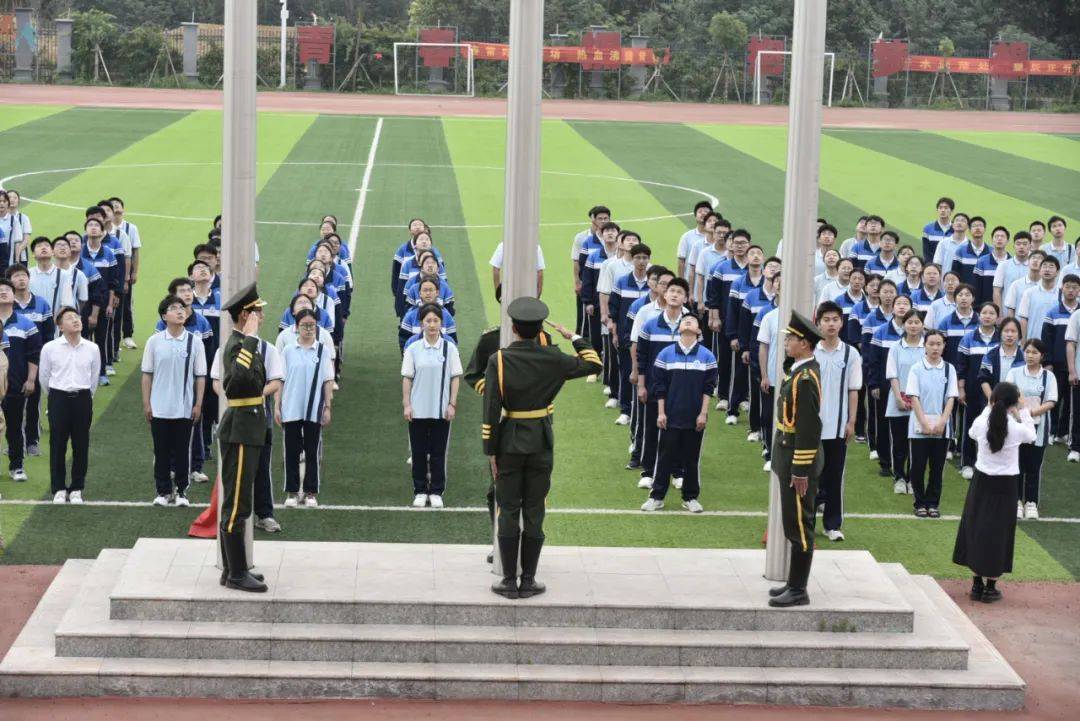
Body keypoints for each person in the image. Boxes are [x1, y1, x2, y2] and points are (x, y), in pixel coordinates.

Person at [485, 297, 602, 599]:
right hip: (540, 440)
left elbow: (491, 411)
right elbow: (594, 362)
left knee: (508, 509)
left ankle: (509, 580)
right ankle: (530, 580)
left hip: (509, 441)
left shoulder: (498, 360)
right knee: (535, 509)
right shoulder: (553, 358)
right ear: (539, 329)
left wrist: (491, 451)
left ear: (513, 327)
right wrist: (572, 336)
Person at [953, 382, 1035, 603]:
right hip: (1006, 485)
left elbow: (970, 432)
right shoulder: (1016, 428)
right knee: (999, 533)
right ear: (1014, 402)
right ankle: (991, 588)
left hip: (981, 483)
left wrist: (989, 407)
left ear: (993, 400)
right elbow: (1032, 435)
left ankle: (976, 585)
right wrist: (1024, 411)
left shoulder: (982, 422)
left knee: (976, 528)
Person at [767, 311, 824, 608]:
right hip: (787, 454)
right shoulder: (798, 371)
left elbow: (809, 428)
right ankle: (792, 582)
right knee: (793, 522)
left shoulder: (805, 378)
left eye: (790, 339)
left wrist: (800, 469)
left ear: (804, 343)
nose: (787, 342)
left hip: (798, 461)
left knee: (800, 525)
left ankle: (799, 589)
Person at [217, 283, 270, 592]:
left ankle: (231, 570)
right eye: (256, 312)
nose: (261, 316)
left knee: (240, 499)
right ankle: (236, 573)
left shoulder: (245, 343)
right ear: (245, 316)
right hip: (240, 427)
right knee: (237, 504)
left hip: (248, 426)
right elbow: (237, 383)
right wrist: (249, 339)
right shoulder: (240, 344)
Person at [640, 314, 715, 513]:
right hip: (670, 417)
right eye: (684, 320)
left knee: (691, 459)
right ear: (679, 328)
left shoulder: (707, 356)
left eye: (692, 321)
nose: (688, 321)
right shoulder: (665, 354)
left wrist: (703, 414)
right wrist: (661, 413)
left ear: (699, 330)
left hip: (694, 418)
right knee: (664, 457)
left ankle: (690, 497)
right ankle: (657, 496)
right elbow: (660, 387)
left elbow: (709, 388)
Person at [141, 295, 207, 508]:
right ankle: (162, 491)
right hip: (159, 407)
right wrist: (147, 403)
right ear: (164, 315)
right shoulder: (154, 341)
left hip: (184, 408)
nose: (180, 311)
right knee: (160, 451)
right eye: (174, 308)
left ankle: (181, 491)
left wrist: (198, 404)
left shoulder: (194, 341)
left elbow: (200, 376)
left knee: (181, 451)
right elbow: (147, 375)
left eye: (182, 308)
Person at [401, 303, 462, 509]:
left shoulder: (449, 348)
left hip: (441, 410)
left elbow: (455, 378)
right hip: (418, 410)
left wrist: (452, 404)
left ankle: (436, 490)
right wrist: (407, 405)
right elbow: (407, 378)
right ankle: (419, 490)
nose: (432, 324)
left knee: (438, 452)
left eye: (436, 320)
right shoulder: (413, 348)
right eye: (428, 321)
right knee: (418, 452)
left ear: (441, 323)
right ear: (421, 324)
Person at [39, 307, 99, 504]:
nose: (76, 320)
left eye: (77, 317)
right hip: (58, 398)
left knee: (81, 444)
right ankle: (58, 488)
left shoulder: (92, 348)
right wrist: (57, 396)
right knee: (57, 444)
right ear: (60, 325)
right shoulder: (50, 348)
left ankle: (76, 488)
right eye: (70, 318)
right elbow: (45, 377)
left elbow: (93, 378)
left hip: (82, 398)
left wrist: (85, 396)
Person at [275, 308, 334, 509]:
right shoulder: (288, 350)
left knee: (312, 451)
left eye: (312, 325)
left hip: (314, 409)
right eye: (304, 326)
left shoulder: (323, 351)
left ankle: (310, 492)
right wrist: (277, 405)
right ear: (297, 327)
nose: (308, 329)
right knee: (291, 451)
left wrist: (327, 407)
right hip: (291, 407)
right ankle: (292, 492)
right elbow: (280, 380)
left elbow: (327, 381)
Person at [636, 278, 692, 489]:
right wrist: (641, 385)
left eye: (680, 291)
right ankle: (649, 471)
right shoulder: (650, 324)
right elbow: (641, 357)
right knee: (651, 429)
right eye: (672, 291)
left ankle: (677, 472)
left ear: (685, 298)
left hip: (682, 390)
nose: (675, 294)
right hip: (654, 387)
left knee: (679, 431)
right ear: (665, 295)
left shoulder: (691, 325)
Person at [813, 302, 861, 541]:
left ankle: (832, 525)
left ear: (841, 323)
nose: (831, 324)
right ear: (818, 322)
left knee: (834, 475)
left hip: (839, 427)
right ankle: (806, 522)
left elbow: (854, 390)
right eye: (826, 319)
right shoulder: (810, 350)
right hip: (812, 427)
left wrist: (851, 421)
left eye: (835, 319)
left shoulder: (851, 353)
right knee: (811, 475)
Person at [905, 330, 958, 518]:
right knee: (917, 467)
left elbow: (951, 397)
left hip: (942, 429)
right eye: (931, 344)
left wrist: (943, 421)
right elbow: (914, 397)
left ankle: (933, 503)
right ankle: (919, 503)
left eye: (939, 344)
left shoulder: (949, 369)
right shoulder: (916, 368)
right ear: (924, 345)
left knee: (937, 468)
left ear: (944, 346)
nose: (935, 348)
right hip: (919, 427)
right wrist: (924, 422)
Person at [1006, 339, 1057, 520]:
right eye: (1027, 351)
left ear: (1042, 356)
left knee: (1034, 466)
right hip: (1017, 426)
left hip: (1039, 427)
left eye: (1035, 353)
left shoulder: (1048, 377)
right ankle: (1017, 501)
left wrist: (1032, 412)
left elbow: (1051, 401)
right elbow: (1008, 397)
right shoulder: (1014, 373)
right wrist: (1021, 416)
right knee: (1017, 464)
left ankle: (1031, 502)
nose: (1030, 355)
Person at [8, 264, 52, 458]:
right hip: (12, 364)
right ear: (10, 282)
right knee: (11, 407)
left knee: (33, 402)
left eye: (24, 275)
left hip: (36, 361)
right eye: (16, 276)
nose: (21, 279)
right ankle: (14, 443)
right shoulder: (6, 306)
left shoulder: (42, 304)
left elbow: (49, 335)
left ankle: (32, 441)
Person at [0, 278, 40, 482]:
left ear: (14, 296)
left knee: (15, 427)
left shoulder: (26, 324)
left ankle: (16, 466)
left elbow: (34, 355)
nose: (3, 292)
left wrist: (31, 380)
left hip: (15, 386)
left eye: (7, 289)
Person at [957, 303, 1001, 479]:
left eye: (992, 313)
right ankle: (967, 463)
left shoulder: (1002, 338)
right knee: (970, 426)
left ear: (997, 317)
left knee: (994, 427)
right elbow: (961, 366)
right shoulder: (968, 338)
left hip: (995, 390)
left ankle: (989, 463)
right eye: (984, 312)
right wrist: (961, 388)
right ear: (979, 315)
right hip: (973, 390)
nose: (988, 316)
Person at [883, 305, 924, 494]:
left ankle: (913, 479)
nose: (913, 326)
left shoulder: (928, 346)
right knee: (899, 442)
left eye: (917, 322)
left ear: (923, 325)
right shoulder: (895, 348)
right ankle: (899, 477)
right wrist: (899, 397)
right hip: (899, 400)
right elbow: (893, 375)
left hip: (921, 404)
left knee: (917, 444)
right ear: (903, 325)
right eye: (910, 322)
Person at [1040, 274, 1079, 443]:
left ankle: (1062, 432)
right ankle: (1051, 430)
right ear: (1062, 288)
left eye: (1074, 287)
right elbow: (1046, 339)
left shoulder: (1079, 313)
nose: (1071, 290)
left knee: (1071, 403)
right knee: (1055, 398)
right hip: (1056, 364)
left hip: (1075, 366)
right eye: (1068, 287)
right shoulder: (1053, 312)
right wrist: (1047, 362)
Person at [1017, 255, 1060, 339]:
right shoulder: (1029, 293)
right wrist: (1023, 340)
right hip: (1033, 342)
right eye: (1044, 266)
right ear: (1040, 271)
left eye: (1051, 267)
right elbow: (1023, 319)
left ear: (1057, 272)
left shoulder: (1062, 295)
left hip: (1054, 343)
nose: (1047, 269)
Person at [992, 231, 1032, 311]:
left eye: (1025, 244)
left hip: (1029, 313)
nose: (1021, 247)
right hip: (1007, 315)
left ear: (1030, 246)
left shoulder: (1035, 267)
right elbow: (997, 292)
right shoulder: (1003, 265)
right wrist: (999, 315)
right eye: (1018, 244)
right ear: (1013, 246)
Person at [1064, 307, 1080, 463]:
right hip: (1079, 373)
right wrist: (1072, 370)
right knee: (1077, 413)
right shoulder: (1077, 315)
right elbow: (1070, 343)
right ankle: (1075, 447)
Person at [922, 197, 954, 262]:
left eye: (946, 208)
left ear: (951, 211)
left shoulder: (956, 229)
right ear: (937, 210)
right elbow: (927, 254)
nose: (943, 210)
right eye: (940, 208)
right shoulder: (928, 229)